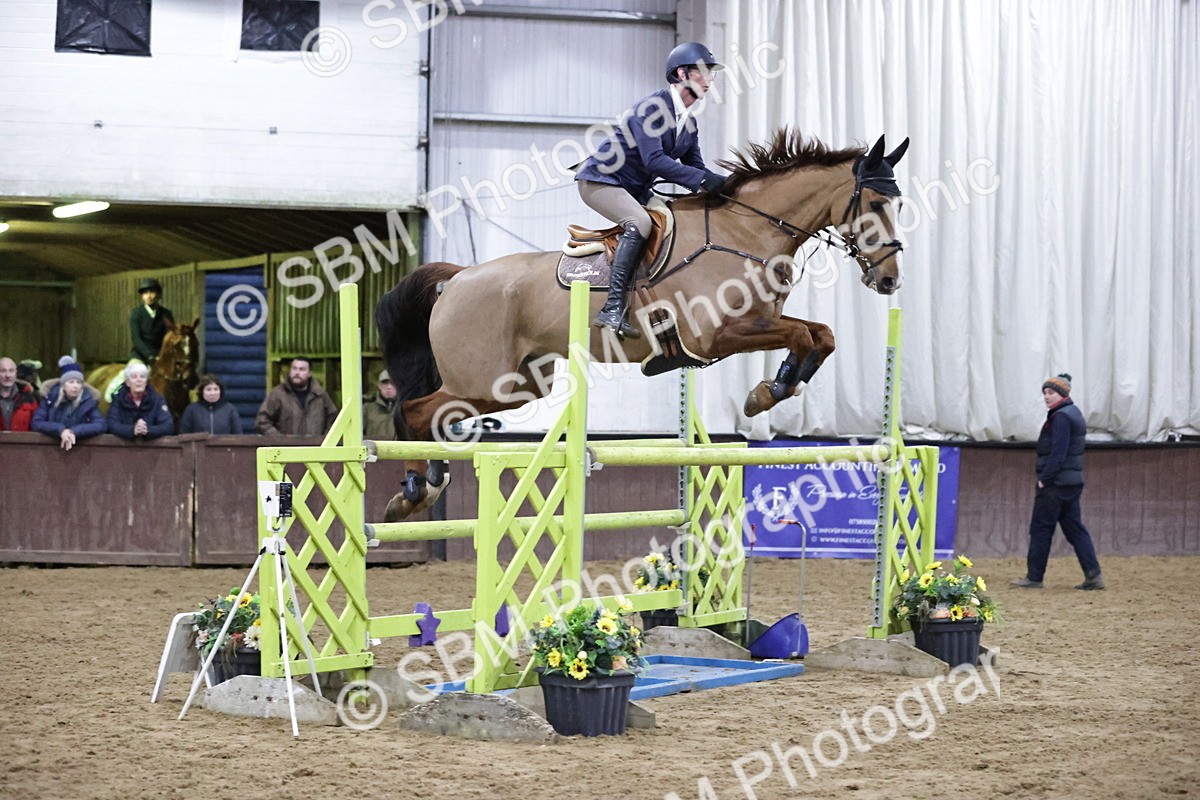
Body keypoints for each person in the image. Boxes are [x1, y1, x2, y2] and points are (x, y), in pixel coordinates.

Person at [575, 41, 728, 339]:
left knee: (676, 220)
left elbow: (696, 168)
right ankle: (612, 308)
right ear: (683, 73)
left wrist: (728, 186)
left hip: (634, 188)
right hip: (602, 181)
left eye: (713, 74)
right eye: (706, 71)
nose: (711, 79)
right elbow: (655, 161)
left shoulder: (689, 122)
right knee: (641, 222)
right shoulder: (651, 109)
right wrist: (703, 180)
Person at [1011, 373, 1105, 590]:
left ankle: (1034, 577)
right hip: (1071, 483)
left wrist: (1045, 479)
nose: (1046, 396)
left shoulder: (1061, 417)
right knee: (1075, 529)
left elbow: (1058, 453)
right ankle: (1093, 575)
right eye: (1044, 392)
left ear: (1062, 394)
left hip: (1055, 484)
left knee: (1041, 528)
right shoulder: (1074, 413)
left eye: (1051, 392)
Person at [30, 356, 107, 450]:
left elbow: (101, 425)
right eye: (71, 382)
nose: (75, 386)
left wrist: (74, 431)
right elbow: (37, 423)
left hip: (80, 451)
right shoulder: (51, 399)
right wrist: (60, 430)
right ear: (63, 385)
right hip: (51, 450)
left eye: (78, 382)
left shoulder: (88, 401)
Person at [255, 356, 339, 436]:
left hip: (315, 449)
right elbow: (262, 420)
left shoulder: (320, 395)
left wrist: (325, 441)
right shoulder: (278, 394)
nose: (297, 372)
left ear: (309, 373)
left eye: (302, 369)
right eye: (294, 368)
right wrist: (279, 440)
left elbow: (334, 420)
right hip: (286, 450)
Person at [106, 361, 175, 440]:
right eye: (134, 377)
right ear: (128, 382)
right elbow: (111, 424)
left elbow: (168, 426)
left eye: (142, 376)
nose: (139, 380)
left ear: (146, 381)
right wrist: (132, 430)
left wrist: (148, 430)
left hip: (152, 449)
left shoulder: (158, 400)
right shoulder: (118, 399)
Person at [130, 277, 175, 367]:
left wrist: (161, 354)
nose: (149, 296)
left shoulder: (166, 313)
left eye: (152, 292)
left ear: (158, 294)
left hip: (161, 354)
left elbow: (169, 336)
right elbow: (136, 338)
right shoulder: (136, 313)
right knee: (133, 373)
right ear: (142, 296)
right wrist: (149, 355)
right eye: (145, 293)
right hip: (140, 355)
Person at [179, 374, 244, 435]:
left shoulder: (230, 409)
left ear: (220, 391)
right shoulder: (191, 410)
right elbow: (184, 434)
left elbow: (238, 434)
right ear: (202, 391)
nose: (212, 393)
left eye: (216, 389)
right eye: (208, 389)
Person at [0, 356, 39, 432]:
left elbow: (38, 423)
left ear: (16, 374)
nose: (8, 375)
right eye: (3, 371)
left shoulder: (29, 397)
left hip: (22, 443)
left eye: (11, 371)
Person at [363, 369, 397, 440]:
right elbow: (355, 437)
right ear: (379, 385)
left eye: (393, 383)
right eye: (385, 383)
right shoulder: (367, 408)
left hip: (399, 450)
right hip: (373, 450)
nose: (389, 387)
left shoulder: (404, 408)